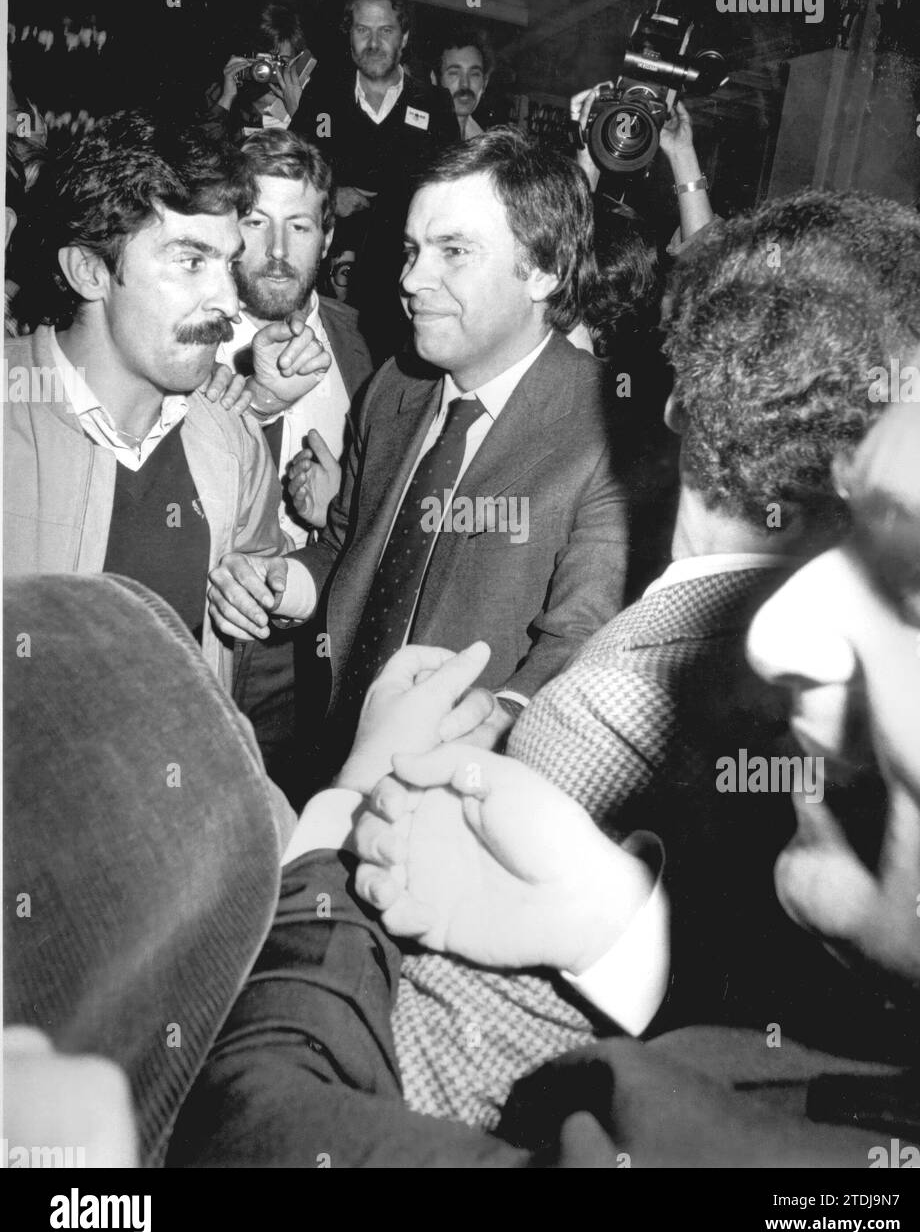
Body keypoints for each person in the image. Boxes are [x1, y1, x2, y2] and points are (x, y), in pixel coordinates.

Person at [382, 189, 920, 1127]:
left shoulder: (608, 708)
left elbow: (426, 1096)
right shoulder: (858, 691)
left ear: (681, 403)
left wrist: (331, 832)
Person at [208, 127, 631, 786]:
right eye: (411, 249)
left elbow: (587, 633)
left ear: (544, 268)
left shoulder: (612, 429)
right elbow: (350, 543)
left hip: (461, 797)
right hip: (332, 759)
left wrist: (506, 716)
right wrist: (278, 583)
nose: (411, 279)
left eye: (453, 251)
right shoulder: (394, 389)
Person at [2, 110, 329, 688]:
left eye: (228, 263)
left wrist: (256, 587)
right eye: (190, 260)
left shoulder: (231, 436)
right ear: (88, 271)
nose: (229, 301)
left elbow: (261, 573)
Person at [217, 127, 373, 794]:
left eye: (300, 225)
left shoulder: (370, 341)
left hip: (334, 641)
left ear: (328, 237)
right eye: (257, 221)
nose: (278, 252)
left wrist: (346, 507)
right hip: (219, 635)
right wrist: (259, 401)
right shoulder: (187, 335)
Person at [290, 0, 458, 361]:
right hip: (329, 283)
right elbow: (292, 171)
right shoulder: (322, 95)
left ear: (405, 37)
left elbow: (450, 193)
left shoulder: (434, 105)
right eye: (363, 30)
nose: (374, 42)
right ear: (349, 35)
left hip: (402, 286)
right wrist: (331, 196)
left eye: (386, 31)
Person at [203, 4, 316, 143]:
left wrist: (298, 112)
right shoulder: (219, 92)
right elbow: (201, 152)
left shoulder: (310, 99)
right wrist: (226, 98)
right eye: (264, 61)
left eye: (281, 62)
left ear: (296, 61)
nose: (268, 71)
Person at [432, 29, 503, 141]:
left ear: (485, 83)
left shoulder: (484, 146)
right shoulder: (417, 137)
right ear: (434, 79)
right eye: (454, 73)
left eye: (474, 74)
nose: (465, 84)